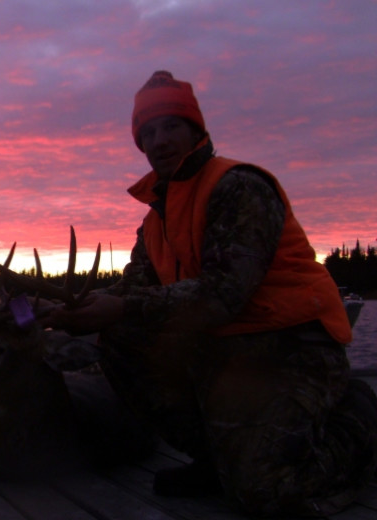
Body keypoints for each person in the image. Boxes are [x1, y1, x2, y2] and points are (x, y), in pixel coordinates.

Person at [47, 70, 377, 516]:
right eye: (148, 133)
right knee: (121, 337)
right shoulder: (157, 219)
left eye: (171, 126)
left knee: (266, 492)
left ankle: (358, 420)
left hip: (293, 346)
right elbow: (133, 287)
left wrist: (120, 307)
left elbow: (224, 294)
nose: (159, 140)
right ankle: (214, 460)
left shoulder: (238, 187)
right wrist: (57, 309)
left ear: (195, 130)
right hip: (226, 353)